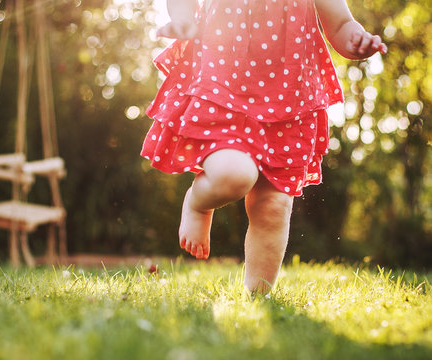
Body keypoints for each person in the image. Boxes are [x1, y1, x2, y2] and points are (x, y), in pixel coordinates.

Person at [141, 0, 387, 293]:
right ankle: (197, 202)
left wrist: (356, 40)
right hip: (224, 88)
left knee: (273, 205)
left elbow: (341, 25)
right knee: (233, 175)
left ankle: (257, 297)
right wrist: (182, 19)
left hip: (290, 98)